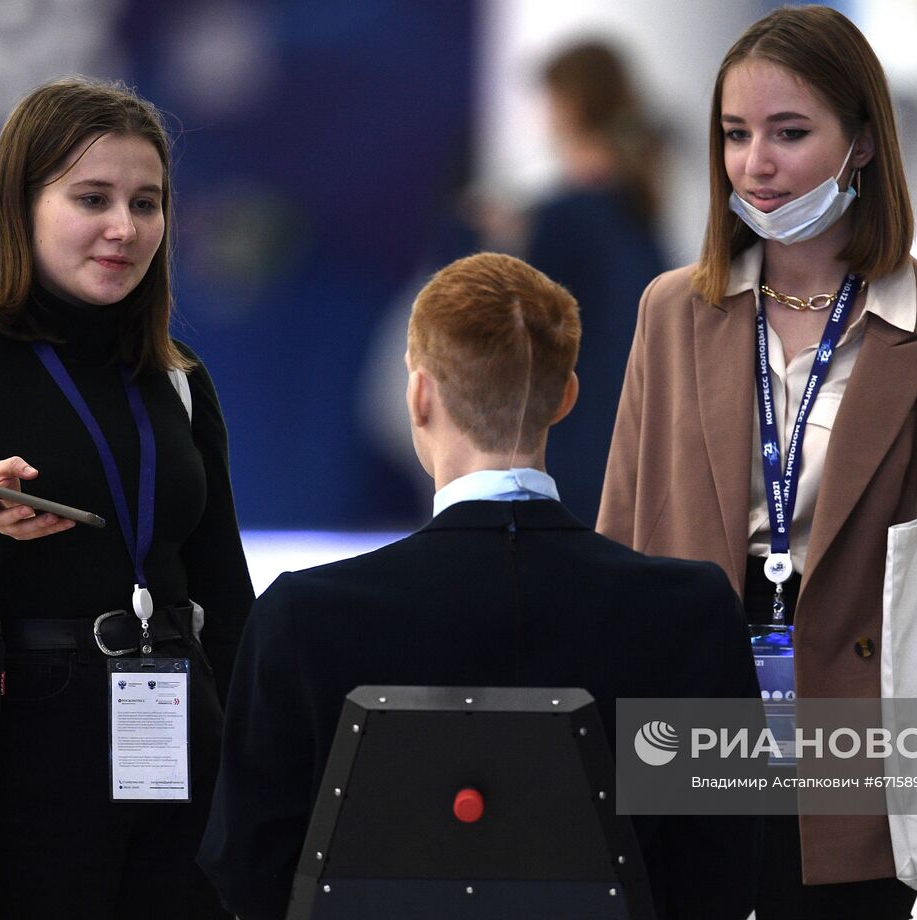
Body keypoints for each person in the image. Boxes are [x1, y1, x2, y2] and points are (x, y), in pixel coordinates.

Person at [597, 6, 917, 918]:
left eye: (790, 133)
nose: (757, 163)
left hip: (861, 736)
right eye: (736, 134)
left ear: (863, 144)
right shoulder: (672, 312)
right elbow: (620, 538)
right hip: (689, 717)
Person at [198, 252, 762, 920]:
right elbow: (726, 870)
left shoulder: (302, 617)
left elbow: (247, 869)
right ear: (566, 397)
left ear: (419, 393)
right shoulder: (687, 614)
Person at [0, 78, 253, 917]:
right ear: (20, 206)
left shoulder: (178, 381)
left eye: (147, 203)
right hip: (19, 756)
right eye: (92, 198)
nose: (125, 228)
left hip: (185, 737)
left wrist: (268, 746)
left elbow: (228, 592)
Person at [530, 40, 668, 525]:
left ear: (569, 104)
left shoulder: (568, 217)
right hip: (635, 422)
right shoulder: (640, 202)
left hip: (578, 428)